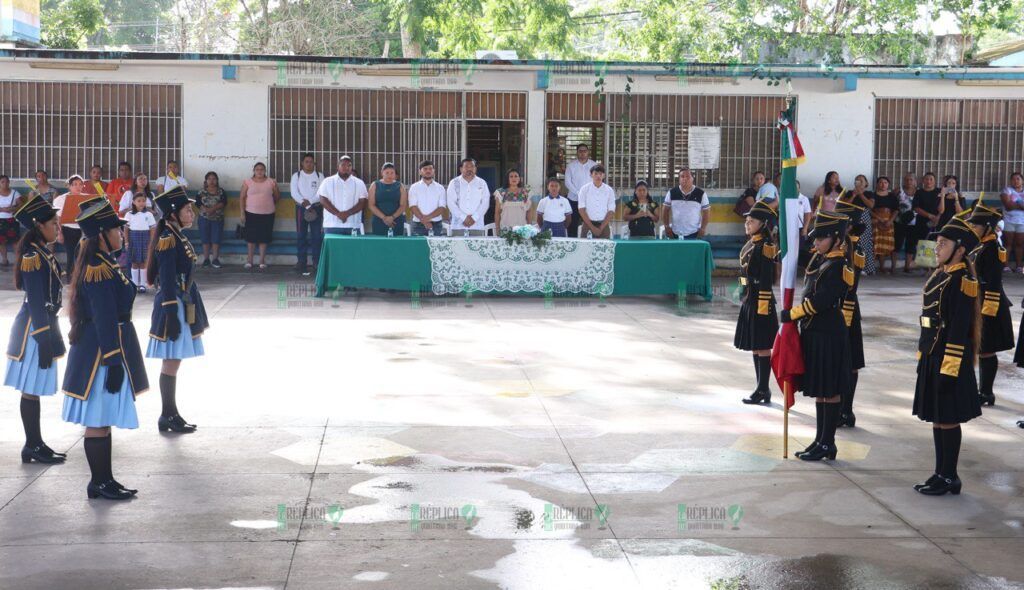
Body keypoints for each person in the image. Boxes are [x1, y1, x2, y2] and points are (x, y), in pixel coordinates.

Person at [61, 198, 149, 500]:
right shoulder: (98, 267)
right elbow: (103, 317)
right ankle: (99, 482)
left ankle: (104, 480)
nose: (121, 234)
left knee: (104, 417)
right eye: (116, 229)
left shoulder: (106, 263)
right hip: (100, 351)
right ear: (101, 234)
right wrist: (112, 359)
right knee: (97, 418)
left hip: (107, 346)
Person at [911, 217, 981, 496]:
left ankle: (950, 476)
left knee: (949, 418)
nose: (937, 248)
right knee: (938, 418)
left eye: (944, 244)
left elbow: (959, 330)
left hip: (949, 359)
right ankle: (940, 473)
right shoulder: (941, 273)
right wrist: (922, 357)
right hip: (932, 352)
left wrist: (948, 370)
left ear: (960, 249)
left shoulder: (962, 280)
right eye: (937, 243)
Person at [780, 209, 853, 462]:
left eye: (821, 238)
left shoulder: (839, 265)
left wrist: (793, 314)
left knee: (830, 389)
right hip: (814, 332)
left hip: (829, 333)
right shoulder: (821, 260)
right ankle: (820, 440)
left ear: (835, 238)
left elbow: (821, 301)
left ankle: (828, 442)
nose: (816, 242)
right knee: (821, 389)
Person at [5, 194, 67, 464]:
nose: (57, 227)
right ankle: (32, 445)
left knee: (34, 388)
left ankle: (36, 443)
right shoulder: (33, 256)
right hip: (34, 325)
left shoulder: (42, 253)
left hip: (42, 323)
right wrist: (43, 339)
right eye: (54, 223)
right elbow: (35, 299)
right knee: (30, 388)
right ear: (38, 226)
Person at [146, 186, 209, 435]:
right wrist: (172, 314)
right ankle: (167, 414)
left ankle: (171, 413)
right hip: (172, 304)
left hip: (182, 302)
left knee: (174, 361)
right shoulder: (168, 239)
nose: (191, 214)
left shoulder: (177, 235)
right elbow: (167, 277)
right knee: (170, 361)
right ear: (173, 213)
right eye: (187, 210)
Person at [966, 203, 1015, 407]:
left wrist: (987, 312)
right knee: (980, 349)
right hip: (977, 301)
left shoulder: (993, 247)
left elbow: (993, 283)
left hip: (989, 304)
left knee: (987, 349)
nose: (973, 229)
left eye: (976, 226)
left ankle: (986, 392)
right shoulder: (981, 245)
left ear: (987, 226)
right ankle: (981, 390)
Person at [735, 201, 779, 405]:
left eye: (751, 221)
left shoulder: (766, 247)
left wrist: (761, 307)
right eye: (747, 220)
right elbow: (744, 273)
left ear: (763, 224)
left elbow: (767, 280)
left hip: (761, 301)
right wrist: (742, 291)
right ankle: (761, 387)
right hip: (750, 300)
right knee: (755, 346)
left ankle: (763, 389)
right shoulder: (750, 243)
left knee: (762, 346)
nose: (747, 223)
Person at [834, 200, 868, 427]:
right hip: (841, 309)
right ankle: (843, 409)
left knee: (850, 360)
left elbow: (850, 287)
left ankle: (846, 409)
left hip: (846, 310)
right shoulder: (840, 246)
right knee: (843, 360)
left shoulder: (853, 249)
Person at [240, 162, 281, 271]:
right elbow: (242, 198)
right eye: (257, 169)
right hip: (250, 213)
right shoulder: (247, 182)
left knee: (264, 238)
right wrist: (242, 213)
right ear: (254, 170)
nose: (260, 171)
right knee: (251, 238)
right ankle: (249, 261)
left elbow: (277, 196)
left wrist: (268, 204)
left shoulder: (271, 182)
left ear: (265, 171)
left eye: (262, 169)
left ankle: (262, 261)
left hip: (268, 214)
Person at [53, 175, 99, 269]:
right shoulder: (60, 199)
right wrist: (59, 233)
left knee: (84, 255)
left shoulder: (87, 198)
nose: (78, 187)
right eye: (75, 184)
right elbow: (58, 218)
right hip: (68, 230)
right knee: (71, 255)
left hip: (84, 230)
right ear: (69, 186)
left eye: (80, 184)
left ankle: (82, 279)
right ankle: (71, 280)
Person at [290, 153, 324, 275]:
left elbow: (321, 192)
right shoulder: (297, 176)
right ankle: (301, 261)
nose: (309, 164)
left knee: (316, 236)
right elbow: (294, 193)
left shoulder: (319, 176)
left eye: (311, 162)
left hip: (316, 208)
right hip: (301, 208)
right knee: (301, 235)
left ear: (314, 163)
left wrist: (311, 203)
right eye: (307, 161)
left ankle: (316, 262)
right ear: (302, 163)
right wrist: (305, 204)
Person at [318, 155, 368, 236]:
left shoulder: (359, 183)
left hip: (353, 225)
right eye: (343, 165)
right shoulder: (327, 181)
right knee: (333, 249)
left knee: (353, 249)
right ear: (338, 166)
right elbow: (323, 200)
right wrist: (338, 214)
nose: (346, 167)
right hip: (332, 225)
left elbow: (363, 202)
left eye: (349, 165)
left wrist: (347, 213)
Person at [447, 158, 491, 236]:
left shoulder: (482, 183)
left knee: (477, 247)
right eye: (466, 166)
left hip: (477, 225)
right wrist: (463, 218)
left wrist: (474, 218)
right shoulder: (454, 183)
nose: (469, 169)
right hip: (458, 226)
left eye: (472, 166)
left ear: (475, 169)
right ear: (461, 169)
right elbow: (451, 203)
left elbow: (485, 203)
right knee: (457, 248)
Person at [663, 168, 710, 240]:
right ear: (679, 179)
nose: (685, 179)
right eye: (682, 176)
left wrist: (703, 228)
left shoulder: (701, 193)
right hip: (675, 233)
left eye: (688, 176)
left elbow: (706, 212)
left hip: (694, 233)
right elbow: (665, 210)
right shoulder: (672, 192)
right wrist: (666, 226)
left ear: (692, 178)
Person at [124, 193, 157, 292]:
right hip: (133, 238)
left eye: (143, 201)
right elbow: (126, 229)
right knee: (134, 262)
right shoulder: (129, 214)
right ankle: (134, 284)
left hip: (145, 238)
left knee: (143, 262)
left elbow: (152, 229)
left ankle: (143, 284)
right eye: (139, 201)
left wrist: (151, 242)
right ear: (133, 202)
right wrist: (126, 241)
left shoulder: (149, 214)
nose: (141, 203)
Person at [911, 173, 944, 273]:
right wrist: (930, 216)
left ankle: (937, 266)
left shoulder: (939, 192)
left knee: (937, 243)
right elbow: (916, 207)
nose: (928, 181)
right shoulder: (919, 192)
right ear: (923, 181)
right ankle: (926, 267)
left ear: (934, 181)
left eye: (931, 179)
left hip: (938, 221)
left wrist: (937, 217)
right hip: (922, 221)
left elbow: (943, 206)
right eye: (926, 179)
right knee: (924, 243)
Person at [563, 144, 597, 237]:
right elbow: (567, 182)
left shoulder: (594, 165)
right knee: (572, 223)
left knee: (590, 222)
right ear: (577, 152)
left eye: (584, 151)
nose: (582, 153)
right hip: (573, 199)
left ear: (588, 152)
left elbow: (597, 180)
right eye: (580, 151)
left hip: (589, 199)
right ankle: (572, 244)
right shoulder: (571, 166)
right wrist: (579, 193)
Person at [846, 175, 877, 274]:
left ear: (866, 183)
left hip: (864, 219)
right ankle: (852, 266)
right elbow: (845, 205)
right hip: (851, 219)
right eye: (857, 180)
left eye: (861, 181)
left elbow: (871, 205)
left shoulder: (869, 193)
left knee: (864, 243)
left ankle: (864, 268)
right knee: (852, 243)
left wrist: (861, 194)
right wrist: (854, 195)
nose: (858, 182)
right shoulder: (850, 192)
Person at [407, 160, 447, 236]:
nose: (428, 171)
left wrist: (427, 218)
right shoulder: (414, 187)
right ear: (420, 172)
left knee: (436, 247)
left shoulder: (440, 188)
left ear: (434, 171)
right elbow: (412, 206)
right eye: (425, 169)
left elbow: (442, 207)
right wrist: (424, 221)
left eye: (430, 168)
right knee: (418, 247)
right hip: (418, 225)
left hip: (436, 224)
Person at [368, 162, 408, 237]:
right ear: (382, 173)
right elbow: (371, 205)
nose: (389, 175)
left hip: (396, 220)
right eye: (387, 173)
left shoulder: (400, 186)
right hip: (379, 220)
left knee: (397, 244)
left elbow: (403, 205)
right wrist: (384, 218)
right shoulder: (375, 185)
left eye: (392, 173)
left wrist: (392, 217)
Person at [197, 171, 227, 269]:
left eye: (214, 179)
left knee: (216, 239)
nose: (212, 181)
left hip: (217, 219)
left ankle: (215, 259)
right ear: (206, 180)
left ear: (217, 180)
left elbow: (223, 202)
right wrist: (206, 210)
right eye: (209, 179)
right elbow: (197, 203)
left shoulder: (221, 191)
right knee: (205, 239)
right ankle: (206, 259)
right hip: (204, 218)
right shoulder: (201, 192)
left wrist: (212, 209)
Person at [577, 164, 616, 239]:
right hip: (587, 224)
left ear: (604, 176)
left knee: (604, 249)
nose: (598, 176)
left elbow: (611, 210)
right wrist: (592, 227)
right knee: (585, 249)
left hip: (604, 225)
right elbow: (581, 209)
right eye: (595, 174)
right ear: (591, 175)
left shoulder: (609, 190)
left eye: (600, 174)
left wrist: (601, 228)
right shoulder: (584, 189)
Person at [871, 176, 897, 274]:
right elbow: (869, 209)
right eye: (881, 182)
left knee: (884, 245)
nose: (883, 184)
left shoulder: (892, 196)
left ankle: (882, 267)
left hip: (888, 223)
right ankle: (870, 268)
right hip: (875, 221)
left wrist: (890, 220)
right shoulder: (872, 195)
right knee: (875, 244)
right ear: (877, 184)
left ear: (888, 184)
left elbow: (896, 210)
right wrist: (879, 218)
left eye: (885, 182)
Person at [1000, 172, 1024, 273]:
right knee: (1008, 244)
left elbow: (1011, 204)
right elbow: (1008, 206)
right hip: (1008, 221)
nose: (1016, 181)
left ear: (1022, 181)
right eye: (1013, 179)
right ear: (1010, 181)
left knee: (1019, 244)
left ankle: (1019, 266)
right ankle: (1006, 266)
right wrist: (1021, 205)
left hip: (1022, 222)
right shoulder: (1007, 190)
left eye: (1018, 179)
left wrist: (1013, 203)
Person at [896, 173, 919, 272]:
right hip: (899, 221)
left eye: (911, 180)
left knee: (911, 244)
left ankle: (907, 266)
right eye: (907, 180)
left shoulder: (919, 192)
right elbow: (892, 202)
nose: (909, 182)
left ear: (915, 181)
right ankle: (893, 267)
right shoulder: (898, 191)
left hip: (914, 223)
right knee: (897, 243)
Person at [0, 175, 24, 267]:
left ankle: (18, 261)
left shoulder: (15, 193)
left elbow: (21, 205)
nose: (5, 184)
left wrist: (12, 209)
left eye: (6, 182)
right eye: (2, 182)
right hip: (0, 220)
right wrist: (2, 210)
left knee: (15, 241)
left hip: (12, 220)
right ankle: (4, 260)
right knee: (1, 242)